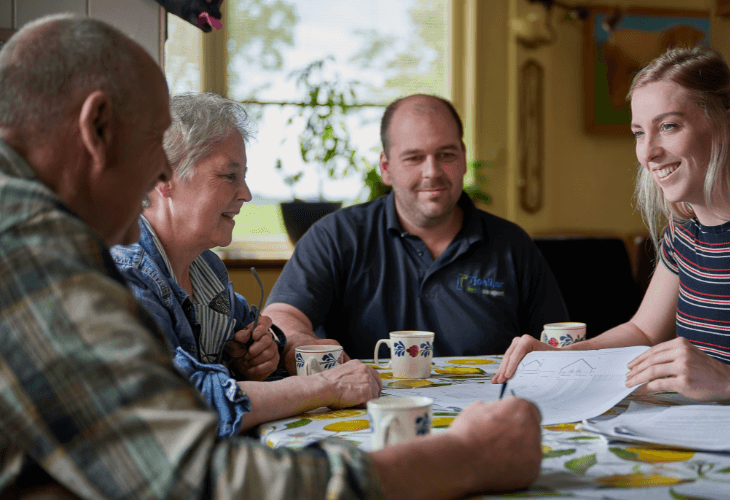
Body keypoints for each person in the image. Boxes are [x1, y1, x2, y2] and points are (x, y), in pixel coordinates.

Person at [0, 14, 543, 500]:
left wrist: (264, 346)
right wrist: (461, 459)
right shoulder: (32, 251)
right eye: (152, 147)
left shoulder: (56, 235)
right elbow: (196, 478)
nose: (158, 178)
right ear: (97, 129)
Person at [493, 46, 730, 427]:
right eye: (639, 133)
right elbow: (643, 331)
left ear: (728, 126)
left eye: (669, 126)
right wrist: (557, 356)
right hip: (709, 438)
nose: (648, 152)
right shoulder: (683, 233)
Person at [110, 92, 383, 438]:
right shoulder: (124, 272)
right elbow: (182, 403)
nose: (247, 193)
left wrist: (259, 354)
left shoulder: (205, 267)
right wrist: (326, 387)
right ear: (163, 177)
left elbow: (255, 335)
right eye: (229, 176)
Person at [264, 94, 569, 365]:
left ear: (463, 158)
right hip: (365, 413)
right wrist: (301, 343)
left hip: (486, 416)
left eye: (446, 155)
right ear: (386, 167)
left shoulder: (512, 245)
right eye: (414, 158)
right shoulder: (336, 236)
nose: (432, 172)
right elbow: (283, 316)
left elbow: (557, 344)